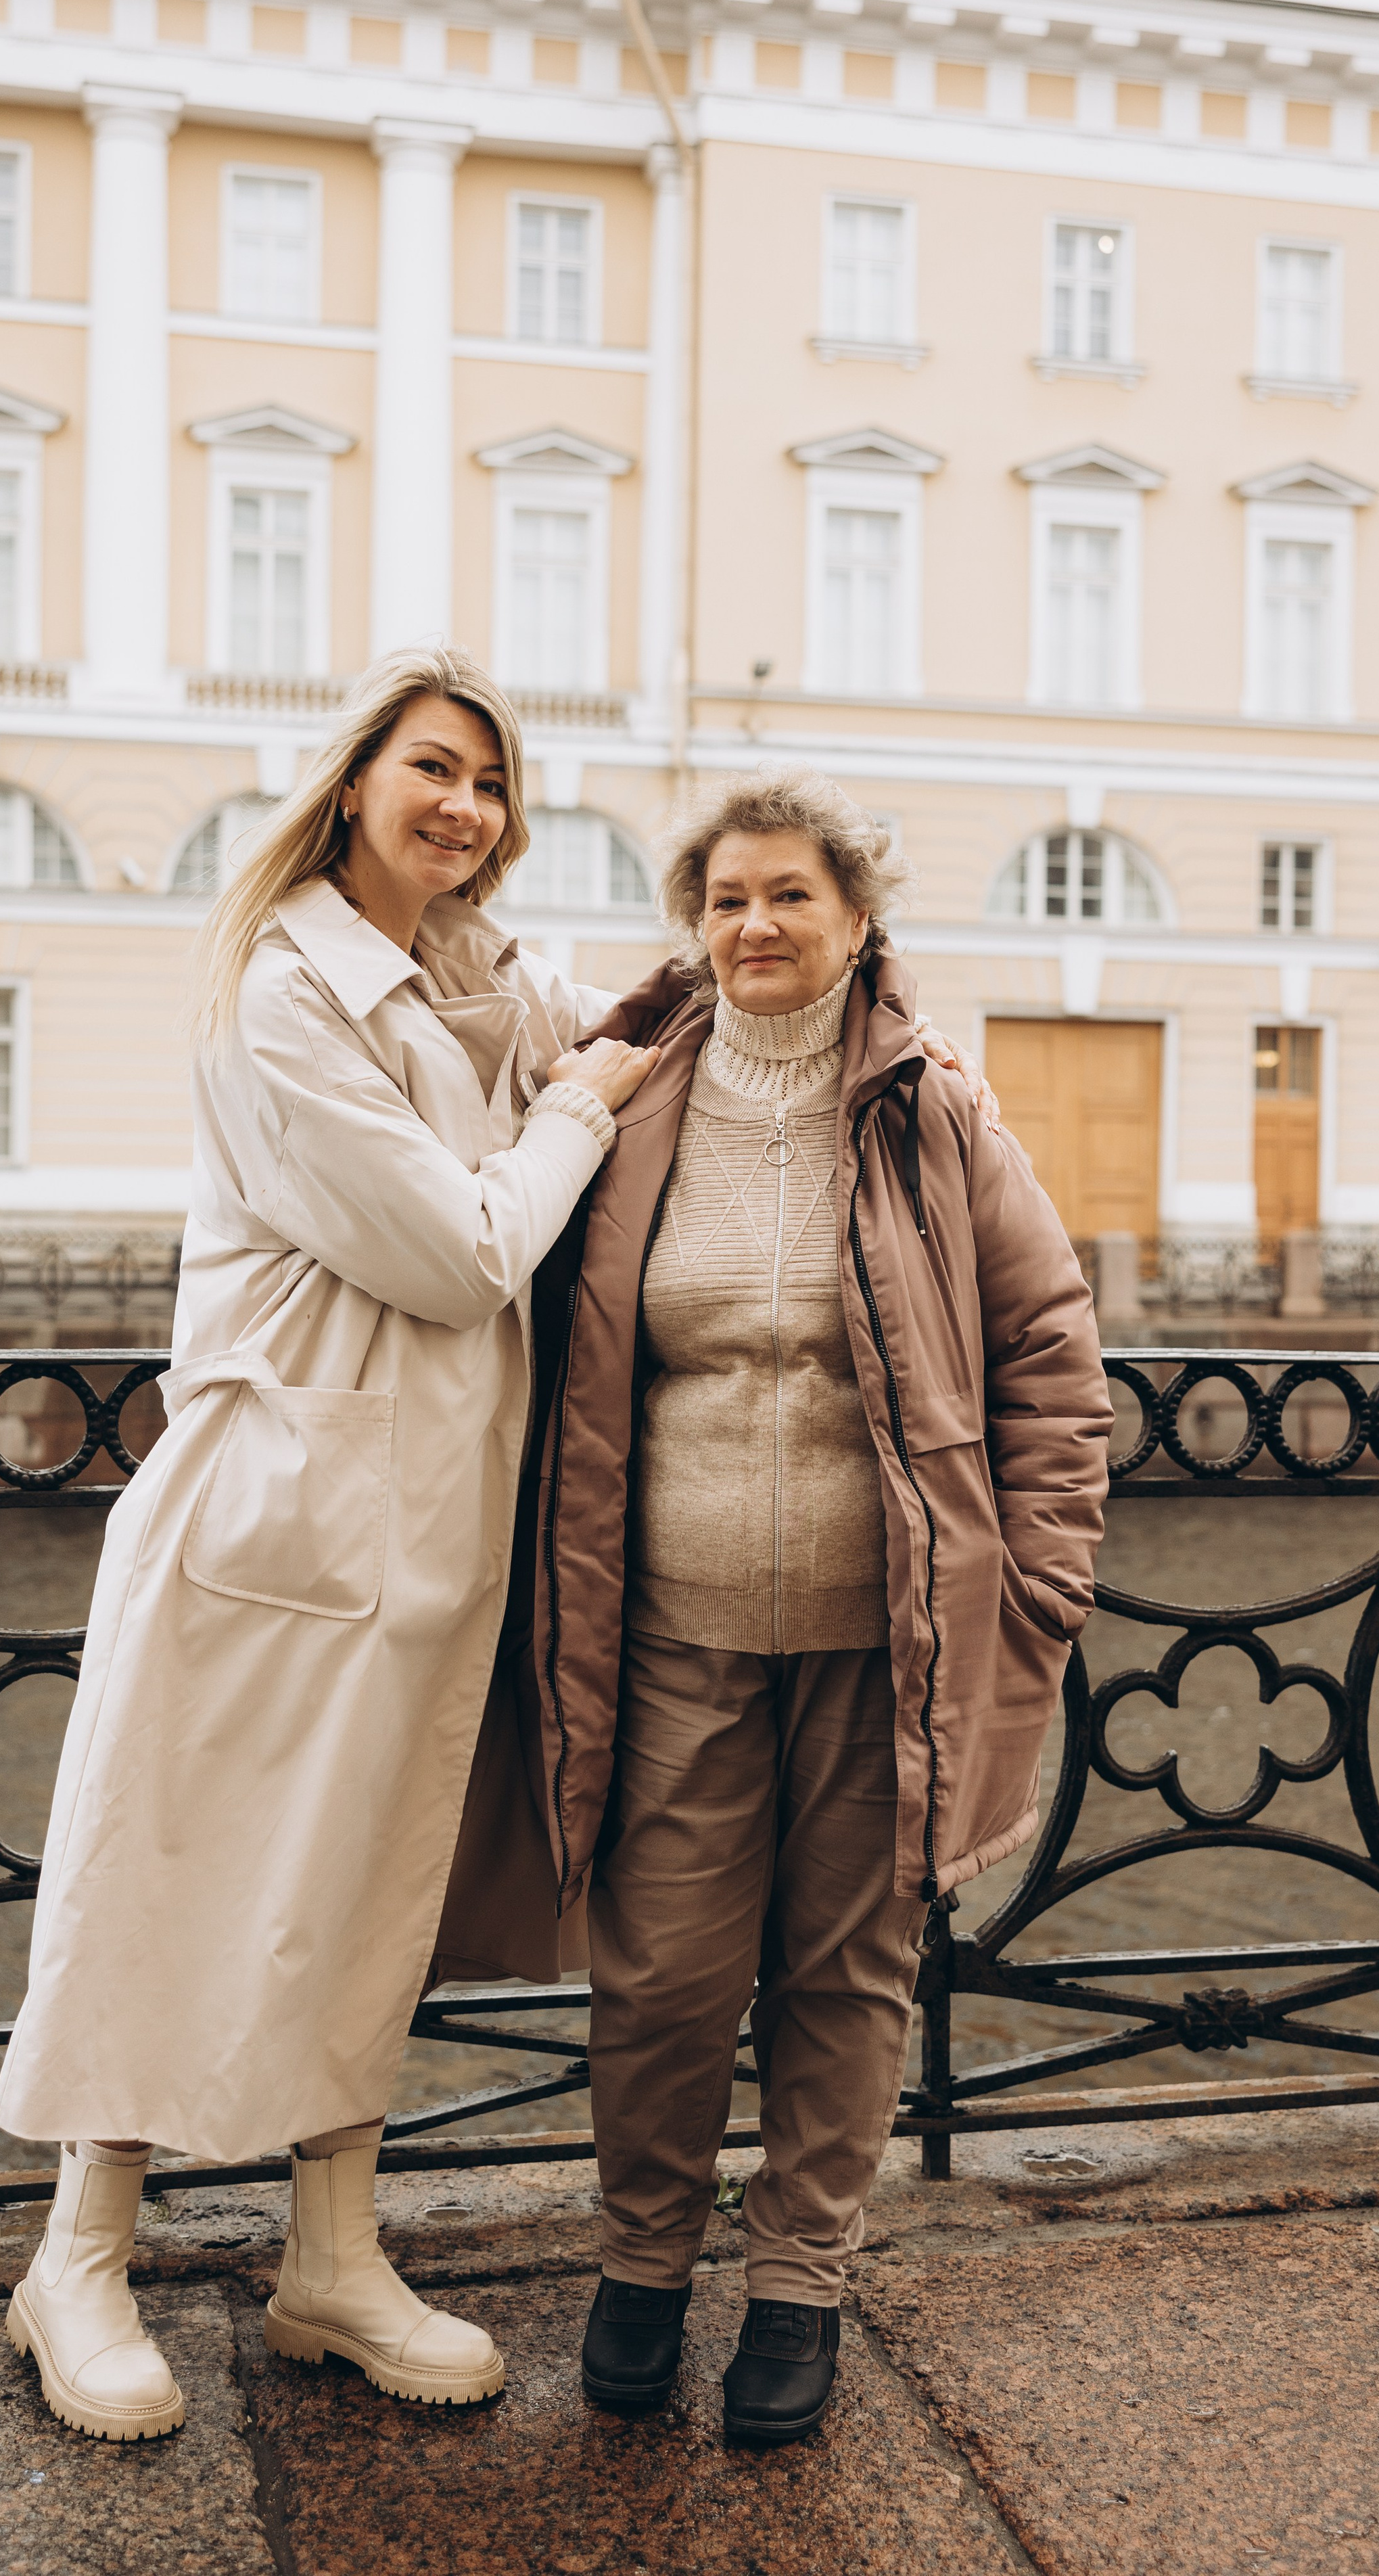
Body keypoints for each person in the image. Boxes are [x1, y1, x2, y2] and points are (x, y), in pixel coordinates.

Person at [0, 646, 660, 2442]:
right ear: (355, 776)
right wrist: (577, 1112)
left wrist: (783, 969)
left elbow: (643, 1029)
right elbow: (460, 1249)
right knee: (170, 1867)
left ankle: (334, 2259)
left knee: (365, 1885)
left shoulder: (489, 982)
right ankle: (77, 2257)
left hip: (430, 1529)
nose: (467, 807)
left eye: (493, 785)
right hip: (266, 1509)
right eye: (436, 767)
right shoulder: (281, 989)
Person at [523, 768, 1111, 2445]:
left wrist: (1042, 1596)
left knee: (849, 1976)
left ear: (857, 918)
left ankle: (798, 2284)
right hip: (671, 1631)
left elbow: (1049, 1365)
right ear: (690, 926)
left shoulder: (937, 1115)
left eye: (788, 895)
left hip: (889, 1640)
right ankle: (643, 2260)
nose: (754, 925)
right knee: (658, 1978)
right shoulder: (628, 1106)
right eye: (723, 900)